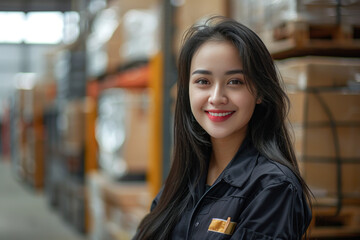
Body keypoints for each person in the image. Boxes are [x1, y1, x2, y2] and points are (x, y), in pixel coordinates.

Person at [133, 16, 312, 240]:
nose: (216, 98)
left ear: (260, 92)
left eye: (235, 81)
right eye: (203, 82)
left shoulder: (273, 188)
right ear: (187, 90)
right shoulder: (184, 177)